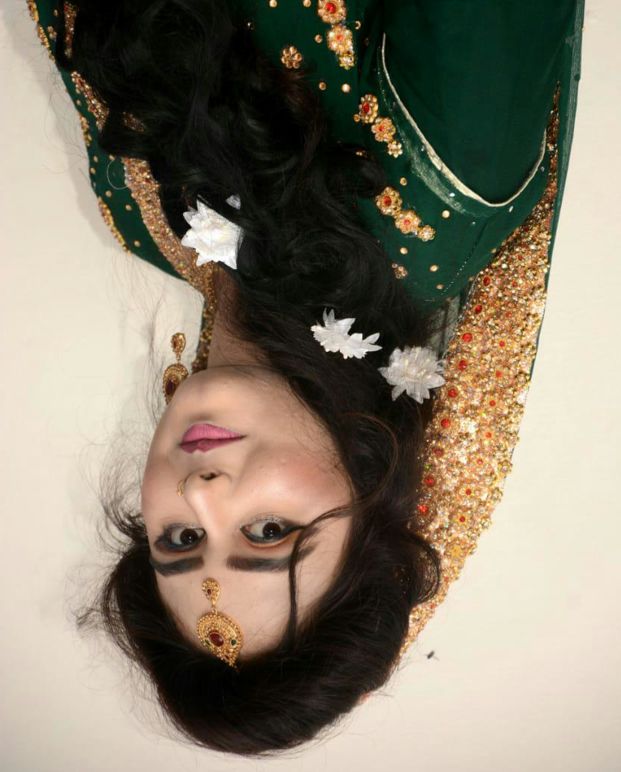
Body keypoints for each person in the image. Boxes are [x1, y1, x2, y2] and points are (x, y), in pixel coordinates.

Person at [26, 0, 583, 757]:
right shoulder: (447, 185)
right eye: (268, 532)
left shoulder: (142, 217)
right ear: (370, 483)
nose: (201, 494)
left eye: (181, 538)